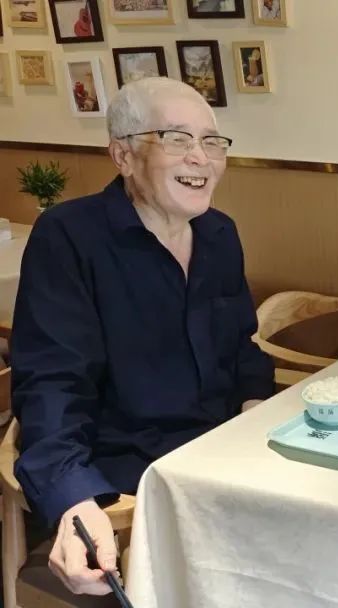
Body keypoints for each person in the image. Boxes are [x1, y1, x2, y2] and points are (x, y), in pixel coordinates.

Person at [12, 77, 274, 599]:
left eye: (211, 141)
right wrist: (72, 497)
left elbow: (240, 348)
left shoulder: (219, 233)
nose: (200, 157)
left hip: (221, 457)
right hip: (133, 469)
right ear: (123, 156)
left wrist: (256, 415)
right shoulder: (69, 237)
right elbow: (52, 383)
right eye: (176, 138)